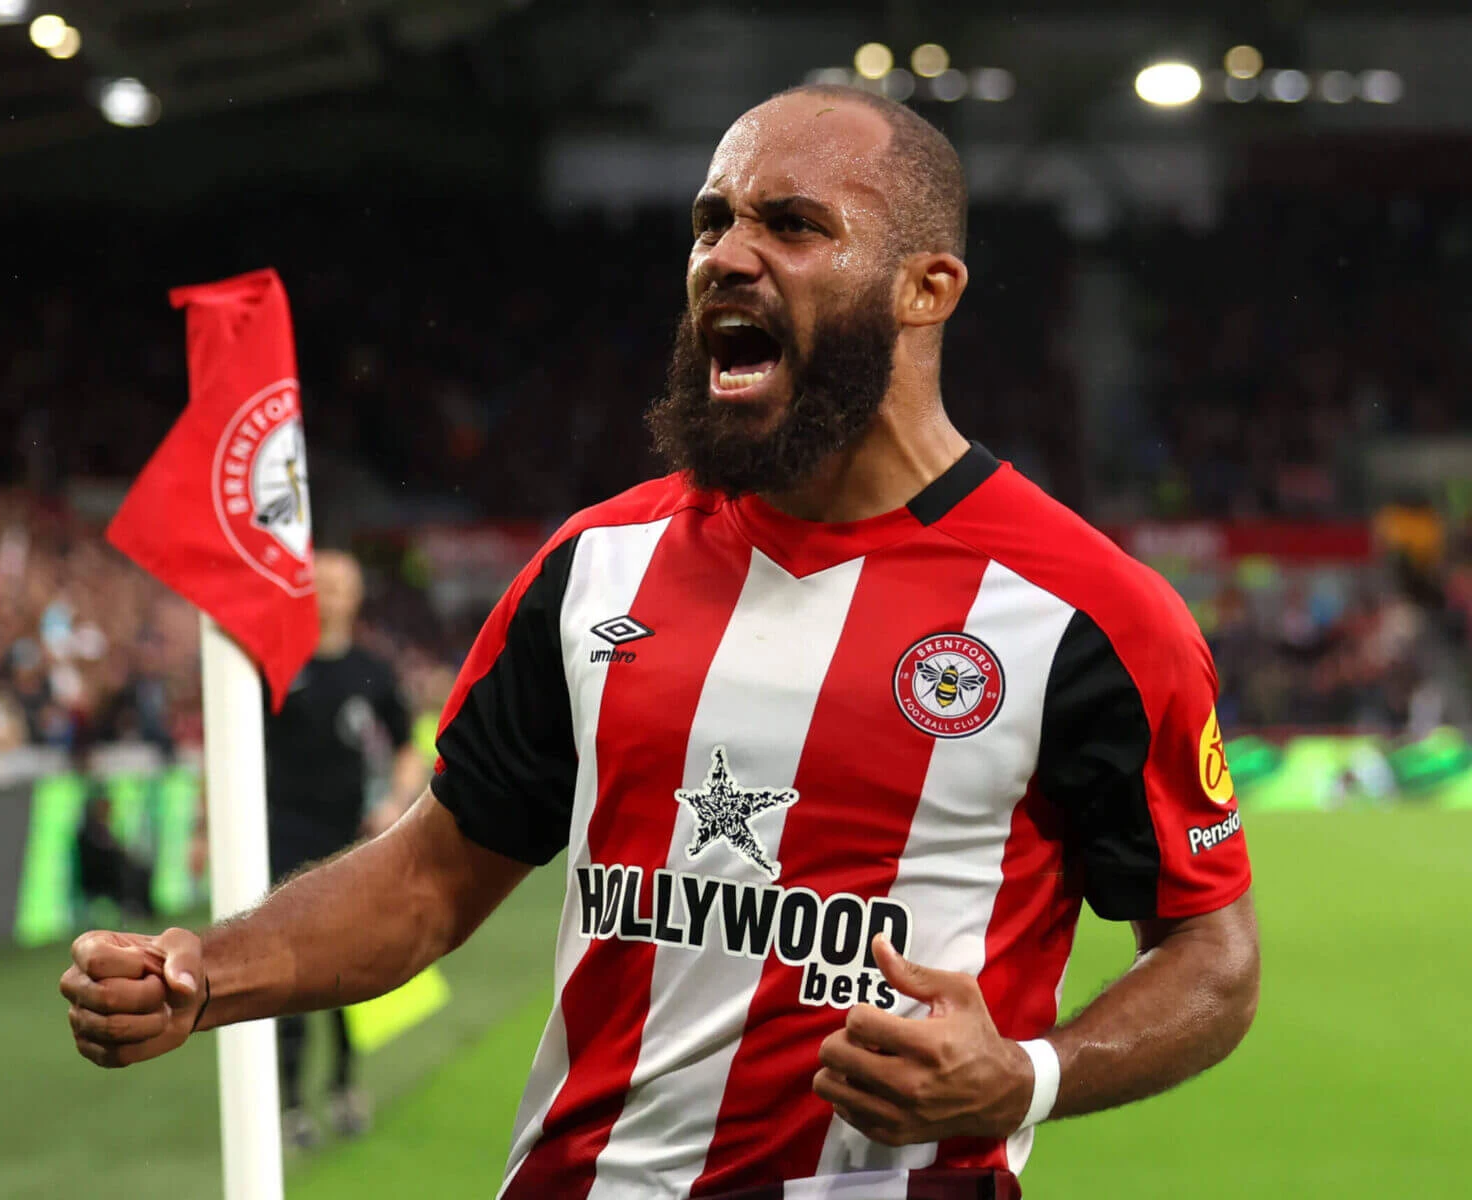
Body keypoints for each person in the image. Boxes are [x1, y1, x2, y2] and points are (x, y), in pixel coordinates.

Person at [61, 85, 1259, 1198]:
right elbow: (430, 879)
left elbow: (1212, 954)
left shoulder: (1087, 615)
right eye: (711, 221)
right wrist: (202, 973)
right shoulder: (595, 567)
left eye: (792, 225)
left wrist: (1025, 1078)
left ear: (926, 289)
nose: (726, 255)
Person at [262, 549, 428, 1147]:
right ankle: (289, 1102)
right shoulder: (276, 666)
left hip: (349, 839)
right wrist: (209, 826)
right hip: (285, 834)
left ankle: (342, 1086)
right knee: (287, 972)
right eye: (322, 583)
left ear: (356, 596)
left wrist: (395, 804)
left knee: (345, 970)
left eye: (342, 585)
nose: (331, 594)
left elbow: (409, 748)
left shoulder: (371, 670)